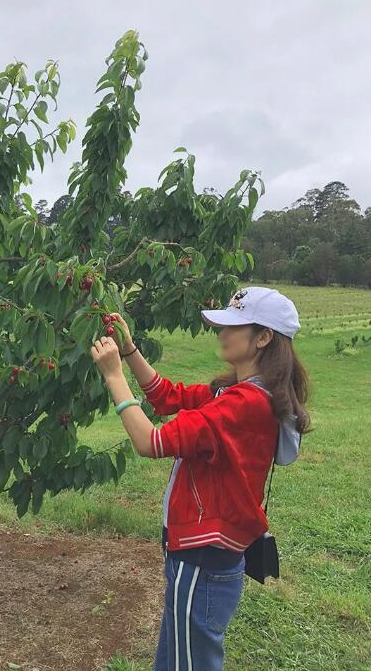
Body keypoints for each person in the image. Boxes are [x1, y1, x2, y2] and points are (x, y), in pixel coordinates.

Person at [91, 286, 310, 671]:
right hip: (201, 551)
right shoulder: (238, 392)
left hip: (203, 555)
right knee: (177, 656)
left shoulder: (244, 405)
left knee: (191, 662)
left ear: (263, 338)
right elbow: (167, 396)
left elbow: (151, 441)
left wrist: (113, 375)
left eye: (235, 327)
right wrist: (129, 352)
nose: (222, 333)